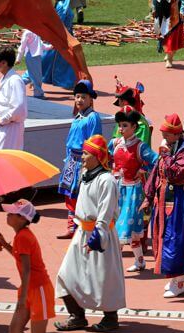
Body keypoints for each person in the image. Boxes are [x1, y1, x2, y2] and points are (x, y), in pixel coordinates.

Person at [55, 135, 126, 332]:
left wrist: (99, 233)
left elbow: (106, 209)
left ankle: (111, 319)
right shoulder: (85, 175)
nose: (83, 157)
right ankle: (77, 316)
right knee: (65, 275)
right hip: (82, 233)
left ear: (96, 156)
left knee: (104, 277)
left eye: (86, 153)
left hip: (100, 235)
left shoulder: (107, 180)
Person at [143, 114, 184, 298]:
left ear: (177, 135)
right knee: (163, 236)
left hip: (180, 200)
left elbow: (174, 174)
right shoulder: (167, 149)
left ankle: (180, 280)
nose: (164, 137)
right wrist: (148, 195)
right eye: (163, 133)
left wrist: (166, 155)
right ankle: (173, 277)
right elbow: (156, 171)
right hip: (162, 201)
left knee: (177, 238)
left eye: (167, 134)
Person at [0, 200, 54, 333]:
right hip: (28, 289)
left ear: (22, 218)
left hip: (39, 290)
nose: (7, 215)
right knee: (14, 331)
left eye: (11, 213)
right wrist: (4, 243)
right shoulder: (21, 236)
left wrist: (22, 297)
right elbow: (20, 258)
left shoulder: (23, 237)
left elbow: (27, 270)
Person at [109, 107, 158, 272]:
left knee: (125, 227)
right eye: (120, 126)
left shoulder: (140, 147)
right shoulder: (115, 143)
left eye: (125, 126)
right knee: (118, 226)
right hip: (117, 188)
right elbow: (103, 155)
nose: (121, 129)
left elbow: (156, 161)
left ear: (134, 127)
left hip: (133, 191)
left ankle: (114, 265)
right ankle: (140, 261)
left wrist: (143, 169)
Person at [57, 80, 102, 239]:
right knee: (69, 194)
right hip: (71, 160)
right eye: (77, 96)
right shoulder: (77, 117)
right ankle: (71, 227)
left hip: (83, 161)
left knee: (82, 194)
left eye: (83, 97)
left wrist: (88, 164)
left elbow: (94, 141)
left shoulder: (92, 117)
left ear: (91, 99)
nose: (79, 100)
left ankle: (84, 227)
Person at [0, 46, 28, 151]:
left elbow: (19, 107)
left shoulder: (15, 81)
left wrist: (3, 119)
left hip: (10, 129)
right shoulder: (5, 78)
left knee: (4, 160)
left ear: (4, 63)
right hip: (4, 127)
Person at [41, 0, 77, 89]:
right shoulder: (62, 6)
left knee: (64, 60)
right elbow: (59, 22)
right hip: (63, 37)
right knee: (65, 59)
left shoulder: (64, 5)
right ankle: (33, 77)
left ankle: (67, 81)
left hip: (68, 35)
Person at [111, 79, 152, 146]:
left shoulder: (141, 124)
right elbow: (114, 139)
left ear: (124, 102)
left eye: (119, 101)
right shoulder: (122, 119)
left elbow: (138, 146)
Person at [16, 29, 51, 100]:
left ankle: (15, 85)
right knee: (37, 76)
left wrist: (50, 47)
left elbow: (40, 45)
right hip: (32, 56)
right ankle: (38, 94)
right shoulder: (28, 33)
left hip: (35, 56)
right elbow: (22, 46)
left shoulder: (35, 32)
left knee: (29, 75)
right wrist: (18, 58)